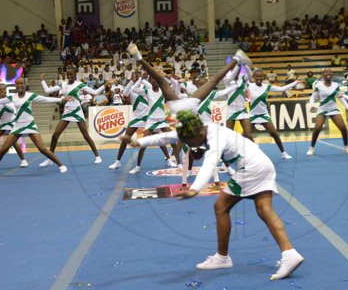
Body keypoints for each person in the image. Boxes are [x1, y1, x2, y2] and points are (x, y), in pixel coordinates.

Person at [124, 110, 304, 280]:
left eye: (190, 142)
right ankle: (289, 253)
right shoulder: (201, 129)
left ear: (199, 136)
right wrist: (139, 142)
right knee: (264, 209)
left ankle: (223, 258)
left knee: (221, 207)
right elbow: (168, 136)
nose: (190, 145)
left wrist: (194, 189)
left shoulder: (214, 139)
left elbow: (209, 165)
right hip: (263, 163)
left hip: (250, 169)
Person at [0, 78, 69, 176]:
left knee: (42, 149)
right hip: (18, 126)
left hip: (30, 125)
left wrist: (61, 99)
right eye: (17, 84)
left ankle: (61, 165)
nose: (19, 85)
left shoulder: (30, 95)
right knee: (3, 149)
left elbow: (46, 99)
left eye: (21, 83)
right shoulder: (12, 97)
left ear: (25, 84)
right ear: (15, 86)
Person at [41, 66, 108, 165]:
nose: (69, 76)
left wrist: (105, 85)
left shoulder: (80, 84)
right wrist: (42, 80)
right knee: (55, 135)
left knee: (85, 135)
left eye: (71, 74)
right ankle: (50, 158)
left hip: (77, 111)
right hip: (67, 112)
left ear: (75, 74)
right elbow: (47, 91)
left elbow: (95, 92)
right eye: (67, 75)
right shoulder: (62, 84)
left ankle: (97, 156)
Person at [248, 69, 300, 159]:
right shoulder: (249, 86)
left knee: (274, 134)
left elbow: (282, 89)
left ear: (264, 77)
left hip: (264, 114)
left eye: (261, 76)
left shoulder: (267, 86)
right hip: (252, 115)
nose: (259, 78)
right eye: (257, 76)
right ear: (254, 77)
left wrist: (295, 82)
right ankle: (244, 154)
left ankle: (284, 153)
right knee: (245, 135)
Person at [307, 69, 348, 156]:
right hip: (322, 109)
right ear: (322, 75)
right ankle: (311, 148)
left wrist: (347, 107)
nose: (328, 73)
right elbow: (313, 97)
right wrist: (312, 105)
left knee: (343, 128)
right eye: (326, 72)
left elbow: (340, 97)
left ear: (332, 74)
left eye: (330, 72)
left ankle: (346, 147)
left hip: (333, 109)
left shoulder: (336, 85)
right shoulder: (319, 85)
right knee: (317, 128)